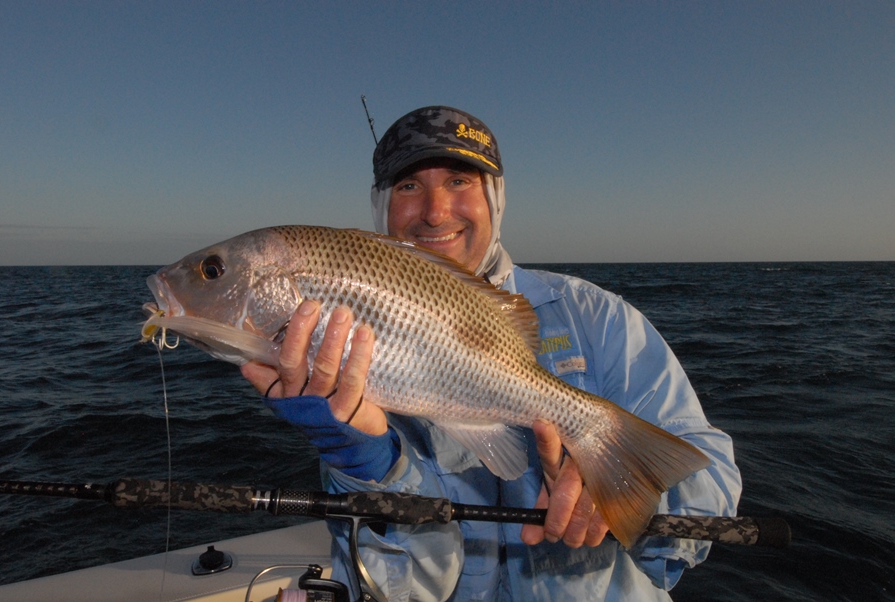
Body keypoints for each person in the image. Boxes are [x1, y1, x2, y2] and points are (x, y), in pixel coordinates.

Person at [241, 106, 742, 601]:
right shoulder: (347, 341)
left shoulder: (599, 316)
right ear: (382, 208)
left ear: (495, 198)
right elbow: (407, 590)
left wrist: (628, 494)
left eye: (460, 180)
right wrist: (366, 464)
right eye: (409, 186)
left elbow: (712, 481)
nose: (435, 211)